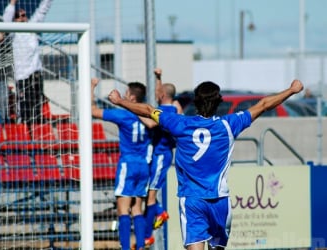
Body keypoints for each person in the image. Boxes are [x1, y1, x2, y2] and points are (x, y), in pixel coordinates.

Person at [108, 79, 304, 250]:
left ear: (196, 102)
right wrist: (291, 90)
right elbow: (263, 105)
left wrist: (120, 101)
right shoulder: (228, 125)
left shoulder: (180, 124)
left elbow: (149, 110)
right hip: (220, 201)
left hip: (192, 200)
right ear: (219, 102)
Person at [91, 78, 152, 250]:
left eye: (126, 93)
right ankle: (140, 246)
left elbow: (93, 111)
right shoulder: (147, 114)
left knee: (123, 209)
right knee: (137, 209)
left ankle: (125, 247)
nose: (124, 95)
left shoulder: (124, 114)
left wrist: (92, 87)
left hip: (128, 164)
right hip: (143, 165)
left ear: (131, 98)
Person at [142, 68, 183, 245]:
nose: (156, 94)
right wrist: (159, 78)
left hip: (161, 157)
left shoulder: (164, 112)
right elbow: (165, 95)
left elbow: (151, 123)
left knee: (150, 196)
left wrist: (132, 108)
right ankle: (159, 212)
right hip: (160, 155)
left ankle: (147, 235)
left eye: (158, 92)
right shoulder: (175, 108)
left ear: (162, 95)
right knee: (147, 195)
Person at [3, 0, 53, 125]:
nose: (22, 18)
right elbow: (6, 21)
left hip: (36, 75)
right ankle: (24, 132)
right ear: (15, 19)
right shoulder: (13, 32)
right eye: (19, 16)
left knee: (37, 108)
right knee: (24, 108)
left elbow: (42, 10)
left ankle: (36, 135)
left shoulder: (31, 27)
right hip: (22, 77)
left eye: (24, 15)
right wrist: (12, 4)